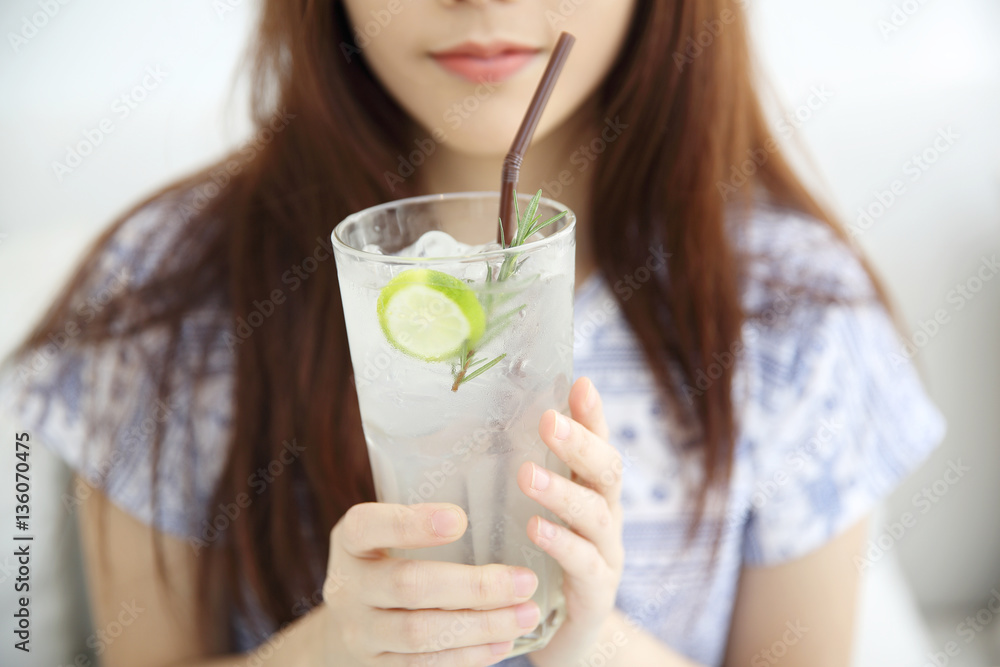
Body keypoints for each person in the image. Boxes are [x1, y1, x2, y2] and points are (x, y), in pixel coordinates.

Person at [1, 0, 945, 665]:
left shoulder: (792, 311)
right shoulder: (166, 293)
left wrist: (592, 642)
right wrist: (337, 649)